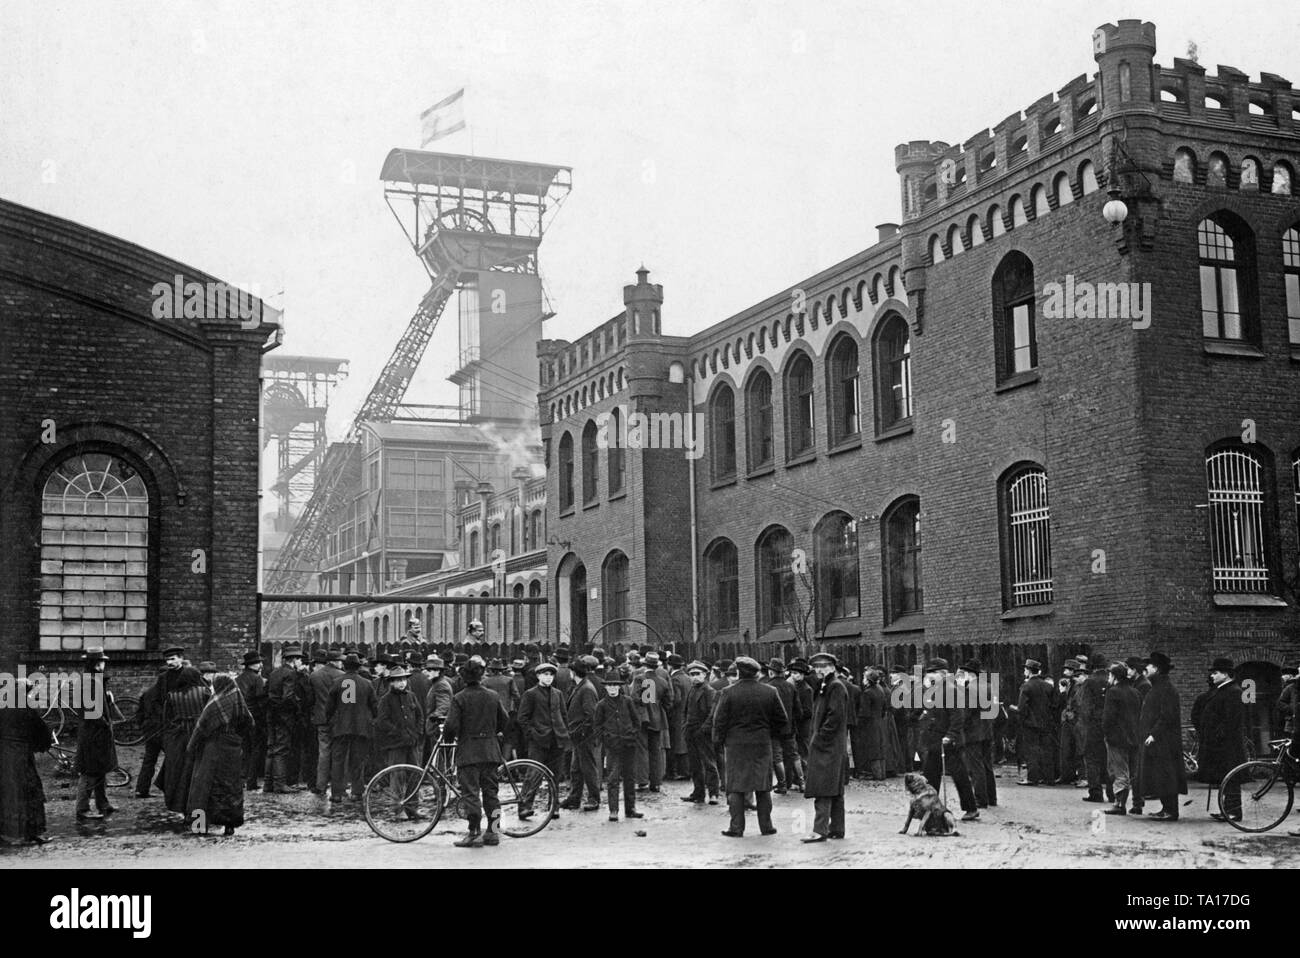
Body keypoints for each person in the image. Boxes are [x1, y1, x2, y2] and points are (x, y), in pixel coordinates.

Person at [712, 656, 787, 838]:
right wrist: (770, 734)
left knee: (736, 787)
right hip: (762, 744)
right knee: (763, 786)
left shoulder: (728, 692)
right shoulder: (770, 691)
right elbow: (782, 719)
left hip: (736, 745)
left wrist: (719, 742)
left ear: (738, 672)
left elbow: (719, 721)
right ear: (756, 673)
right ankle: (766, 826)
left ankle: (736, 828)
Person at [444, 657, 510, 847]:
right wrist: (492, 733)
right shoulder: (493, 696)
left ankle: (474, 832)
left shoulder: (460, 698)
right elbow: (505, 722)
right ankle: (493, 832)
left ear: (464, 678)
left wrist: (451, 739)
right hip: (490, 752)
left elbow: (450, 725)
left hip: (469, 753)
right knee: (491, 794)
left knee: (471, 794)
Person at [185, 673, 255, 836]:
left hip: (212, 747)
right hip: (232, 748)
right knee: (230, 788)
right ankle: (229, 825)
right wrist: (237, 737)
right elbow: (249, 722)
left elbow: (201, 727)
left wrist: (191, 747)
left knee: (202, 787)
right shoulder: (238, 699)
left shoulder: (215, 703)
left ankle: (199, 825)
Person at [918, 658, 980, 821]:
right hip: (935, 740)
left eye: (933, 672)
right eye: (928, 672)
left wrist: (950, 736)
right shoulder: (936, 689)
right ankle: (929, 808)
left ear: (943, 674)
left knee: (959, 776)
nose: (929, 675)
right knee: (930, 775)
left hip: (948, 742)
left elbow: (958, 716)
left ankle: (971, 808)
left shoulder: (951, 689)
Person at [153, 646, 210, 814]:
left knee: (187, 769)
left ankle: (188, 806)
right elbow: (157, 702)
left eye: (173, 659)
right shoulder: (163, 679)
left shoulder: (192, 675)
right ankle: (190, 807)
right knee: (178, 769)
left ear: (180, 659)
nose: (170, 662)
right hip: (177, 731)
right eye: (167, 660)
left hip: (185, 731)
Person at [801, 652, 850, 842]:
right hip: (831, 746)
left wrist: (820, 738)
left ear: (832, 667)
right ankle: (836, 828)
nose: (818, 670)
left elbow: (834, 717)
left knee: (822, 787)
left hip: (827, 746)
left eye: (823, 666)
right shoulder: (827, 685)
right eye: (816, 667)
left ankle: (819, 830)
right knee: (834, 788)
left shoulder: (835, 686)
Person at [0, 678, 53, 845]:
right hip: (21, 755)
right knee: (29, 791)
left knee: (9, 792)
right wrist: (43, 744)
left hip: (6, 755)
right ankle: (29, 833)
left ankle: (9, 834)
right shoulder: (25, 709)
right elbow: (41, 731)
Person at [1136, 651, 1186, 821]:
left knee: (1167, 775)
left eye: (1149, 666)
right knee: (1161, 775)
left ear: (1156, 669)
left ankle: (1171, 811)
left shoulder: (1166, 689)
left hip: (1164, 741)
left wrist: (1154, 734)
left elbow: (1167, 715)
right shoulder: (1158, 687)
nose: (1146, 668)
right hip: (1159, 740)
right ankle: (1166, 808)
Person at [516, 661, 570, 819]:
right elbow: (522, 718)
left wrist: (564, 733)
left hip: (557, 739)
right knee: (533, 774)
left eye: (551, 675)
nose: (548, 678)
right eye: (545, 674)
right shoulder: (530, 694)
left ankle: (554, 806)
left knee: (555, 775)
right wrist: (532, 734)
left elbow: (564, 715)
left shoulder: (557, 694)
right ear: (538, 676)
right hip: (539, 741)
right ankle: (524, 806)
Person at [592, 667, 643, 822]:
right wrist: (607, 739)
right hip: (612, 747)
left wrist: (632, 735)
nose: (613, 688)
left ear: (619, 686)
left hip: (628, 745)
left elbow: (637, 721)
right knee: (613, 779)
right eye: (610, 685)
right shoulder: (601, 705)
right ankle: (613, 810)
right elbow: (597, 727)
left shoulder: (627, 701)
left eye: (615, 685)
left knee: (630, 777)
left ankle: (631, 808)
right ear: (605, 687)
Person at [326, 654, 377, 805]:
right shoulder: (367, 684)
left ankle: (337, 793)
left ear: (344, 666)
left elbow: (329, 706)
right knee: (358, 760)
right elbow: (374, 706)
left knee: (338, 761)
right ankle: (357, 791)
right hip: (361, 727)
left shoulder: (337, 682)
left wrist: (330, 720)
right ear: (358, 667)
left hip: (341, 727)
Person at [1200, 658, 1247, 823]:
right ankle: (1227, 810)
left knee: (1231, 778)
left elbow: (1231, 721)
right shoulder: (1223, 690)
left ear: (1226, 674)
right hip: (1221, 744)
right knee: (1225, 777)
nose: (1212, 676)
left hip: (1228, 745)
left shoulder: (1233, 692)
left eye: (1215, 673)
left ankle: (1234, 812)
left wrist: (1218, 736)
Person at [74, 648, 118, 822]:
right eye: (101, 661)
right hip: (93, 734)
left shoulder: (94, 681)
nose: (103, 664)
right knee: (89, 772)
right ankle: (82, 809)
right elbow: (90, 711)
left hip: (97, 734)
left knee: (100, 769)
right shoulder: (89, 682)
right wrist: (105, 724)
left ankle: (103, 803)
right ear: (96, 664)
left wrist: (106, 696)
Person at [561, 655, 603, 812]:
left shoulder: (586, 689)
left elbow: (591, 716)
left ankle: (594, 798)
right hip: (578, 736)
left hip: (584, 736)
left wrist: (582, 732)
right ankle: (574, 798)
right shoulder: (582, 686)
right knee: (576, 768)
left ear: (573, 672)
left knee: (588, 767)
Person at [265, 643, 306, 793]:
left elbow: (267, 692)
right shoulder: (291, 674)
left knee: (272, 749)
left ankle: (268, 783)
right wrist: (298, 707)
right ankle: (280, 784)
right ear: (293, 660)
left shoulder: (274, 673)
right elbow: (288, 697)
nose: (301, 662)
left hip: (272, 714)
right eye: (299, 659)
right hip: (284, 716)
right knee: (282, 749)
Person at [1102, 663, 1141, 816]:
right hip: (1134, 737)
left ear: (1115, 676)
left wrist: (1107, 734)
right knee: (1132, 771)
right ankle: (1136, 803)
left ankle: (1119, 804)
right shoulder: (1136, 692)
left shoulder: (1113, 692)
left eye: (1110, 675)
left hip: (1117, 738)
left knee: (1118, 771)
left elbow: (1108, 718)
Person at [681, 660, 720, 805]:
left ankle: (714, 793)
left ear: (705, 675)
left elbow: (712, 714)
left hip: (703, 732)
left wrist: (704, 729)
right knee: (694, 764)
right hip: (690, 731)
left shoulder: (709, 691)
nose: (694, 677)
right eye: (691, 674)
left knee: (709, 763)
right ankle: (698, 792)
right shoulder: (692, 690)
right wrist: (685, 726)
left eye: (697, 674)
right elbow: (686, 711)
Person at [1012, 658, 1054, 786]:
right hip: (1046, 723)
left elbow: (1021, 707)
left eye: (1025, 669)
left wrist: (1013, 709)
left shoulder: (1026, 686)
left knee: (1031, 750)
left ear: (1029, 671)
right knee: (1046, 750)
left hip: (1030, 724)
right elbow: (1054, 704)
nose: (1024, 671)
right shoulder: (1048, 686)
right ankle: (1049, 778)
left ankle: (1032, 778)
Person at [957, 660, 993, 807]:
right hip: (986, 729)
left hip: (973, 732)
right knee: (987, 765)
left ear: (968, 674)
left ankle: (980, 799)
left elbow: (966, 713)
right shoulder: (988, 686)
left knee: (976, 767)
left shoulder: (969, 688)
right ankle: (992, 797)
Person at [308, 648, 343, 797]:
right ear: (335, 662)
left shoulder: (314, 676)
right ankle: (338, 787)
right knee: (338, 754)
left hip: (321, 719)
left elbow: (310, 699)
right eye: (340, 660)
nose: (342, 663)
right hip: (338, 720)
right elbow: (346, 701)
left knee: (323, 752)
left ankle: (320, 785)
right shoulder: (342, 677)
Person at [764, 658, 803, 792]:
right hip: (790, 728)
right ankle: (802, 783)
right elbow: (799, 711)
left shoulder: (768, 687)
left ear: (771, 672)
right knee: (794, 754)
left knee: (777, 756)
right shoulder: (790, 686)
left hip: (774, 728)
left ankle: (782, 784)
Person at [375, 666, 424, 771]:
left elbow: (420, 716)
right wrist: (398, 732)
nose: (402, 683)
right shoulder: (386, 700)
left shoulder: (411, 696)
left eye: (404, 679)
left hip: (412, 741)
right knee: (397, 773)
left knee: (415, 773)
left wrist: (417, 732)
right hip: (395, 744)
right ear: (391, 682)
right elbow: (382, 721)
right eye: (398, 680)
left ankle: (414, 788)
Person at [1077, 654, 1111, 803]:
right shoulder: (1111, 681)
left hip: (1093, 727)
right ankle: (1112, 793)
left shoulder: (1089, 682)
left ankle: (1095, 792)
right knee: (1108, 760)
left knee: (1092, 760)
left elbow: (1084, 708)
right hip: (1108, 726)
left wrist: (1084, 726)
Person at [134, 659, 167, 799]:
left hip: (150, 732)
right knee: (172, 759)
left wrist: (144, 728)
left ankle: (141, 789)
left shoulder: (148, 692)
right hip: (164, 731)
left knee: (149, 760)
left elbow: (139, 714)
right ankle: (168, 788)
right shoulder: (168, 692)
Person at [858, 668, 890, 782]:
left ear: (868, 680)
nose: (863, 680)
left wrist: (860, 723)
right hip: (880, 722)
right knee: (880, 747)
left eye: (864, 678)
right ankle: (882, 773)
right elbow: (885, 707)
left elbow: (864, 712)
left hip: (870, 723)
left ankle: (877, 774)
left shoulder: (867, 692)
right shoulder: (880, 689)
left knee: (873, 748)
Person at [1055, 660, 1081, 785]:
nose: (1064, 672)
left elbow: (1071, 703)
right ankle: (1067, 774)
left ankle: (1069, 775)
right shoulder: (1071, 684)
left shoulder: (1076, 686)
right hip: (1069, 719)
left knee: (1071, 748)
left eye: (1066, 669)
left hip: (1072, 719)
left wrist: (1063, 693)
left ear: (1072, 671)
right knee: (1066, 748)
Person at [667, 653, 692, 780]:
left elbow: (675, 699)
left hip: (677, 714)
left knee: (677, 742)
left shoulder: (674, 679)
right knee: (684, 741)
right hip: (687, 712)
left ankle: (681, 771)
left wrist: (668, 709)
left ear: (670, 665)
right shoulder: (687, 678)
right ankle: (687, 770)